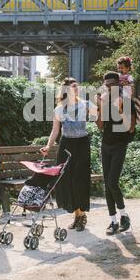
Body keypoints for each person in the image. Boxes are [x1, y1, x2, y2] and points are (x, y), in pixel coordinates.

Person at [41, 78, 97, 231]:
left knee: (80, 180)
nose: (77, 88)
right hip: (66, 146)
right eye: (73, 87)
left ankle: (81, 215)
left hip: (82, 144)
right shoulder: (59, 109)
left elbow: (99, 114)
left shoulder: (85, 104)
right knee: (67, 180)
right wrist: (48, 146)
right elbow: (55, 131)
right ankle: (77, 216)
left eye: (77, 86)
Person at [97, 72, 136, 236]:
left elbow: (131, 127)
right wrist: (100, 108)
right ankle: (113, 221)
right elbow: (99, 126)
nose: (108, 87)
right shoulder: (105, 101)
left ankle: (124, 216)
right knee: (107, 184)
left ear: (118, 84)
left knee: (112, 182)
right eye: (106, 85)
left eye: (111, 84)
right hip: (106, 145)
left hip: (120, 145)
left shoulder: (126, 100)